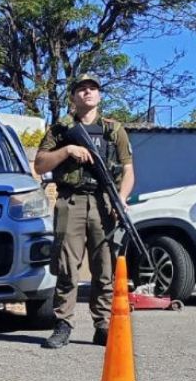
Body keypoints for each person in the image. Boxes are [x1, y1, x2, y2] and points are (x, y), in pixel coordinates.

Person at [34, 74, 135, 349]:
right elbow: (41, 165)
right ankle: (63, 323)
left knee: (104, 267)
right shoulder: (61, 129)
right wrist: (68, 150)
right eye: (81, 89)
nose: (87, 93)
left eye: (92, 89)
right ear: (73, 97)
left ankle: (102, 325)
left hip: (103, 202)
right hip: (72, 200)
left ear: (99, 96)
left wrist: (121, 198)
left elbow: (127, 171)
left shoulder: (114, 130)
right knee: (67, 266)